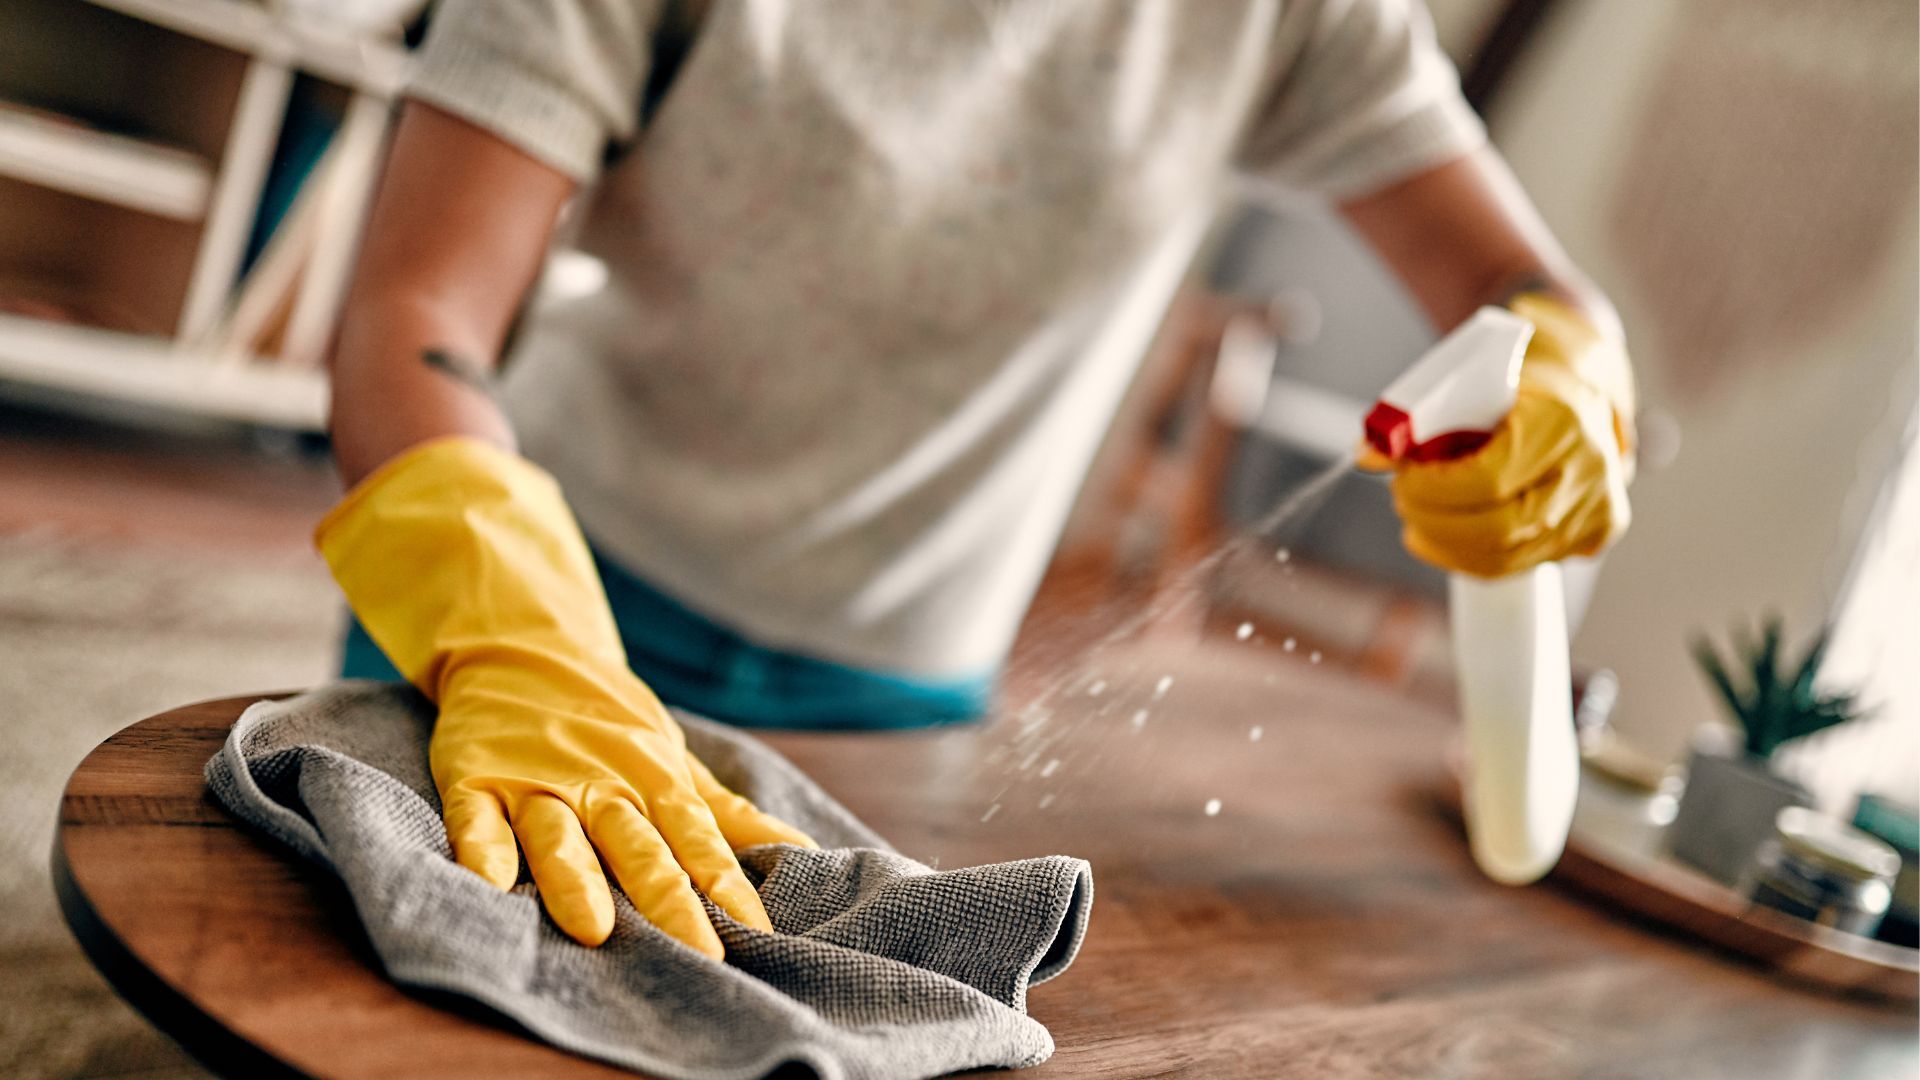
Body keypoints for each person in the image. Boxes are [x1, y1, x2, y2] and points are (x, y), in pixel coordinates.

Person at [320, 0, 1636, 956]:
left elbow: (1521, 286)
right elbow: (416, 304)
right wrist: (517, 642)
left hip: (899, 697)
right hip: (522, 609)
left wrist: (1571, 369)